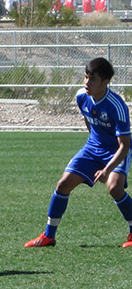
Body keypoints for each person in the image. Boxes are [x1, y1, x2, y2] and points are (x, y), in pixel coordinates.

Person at [25, 58, 132, 249]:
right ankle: (48, 236)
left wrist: (107, 169)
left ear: (105, 82)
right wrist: (92, 147)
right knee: (63, 184)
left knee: (115, 187)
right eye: (85, 77)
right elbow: (89, 119)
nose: (86, 83)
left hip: (116, 150)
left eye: (92, 79)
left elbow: (124, 145)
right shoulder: (81, 96)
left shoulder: (117, 106)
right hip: (92, 148)